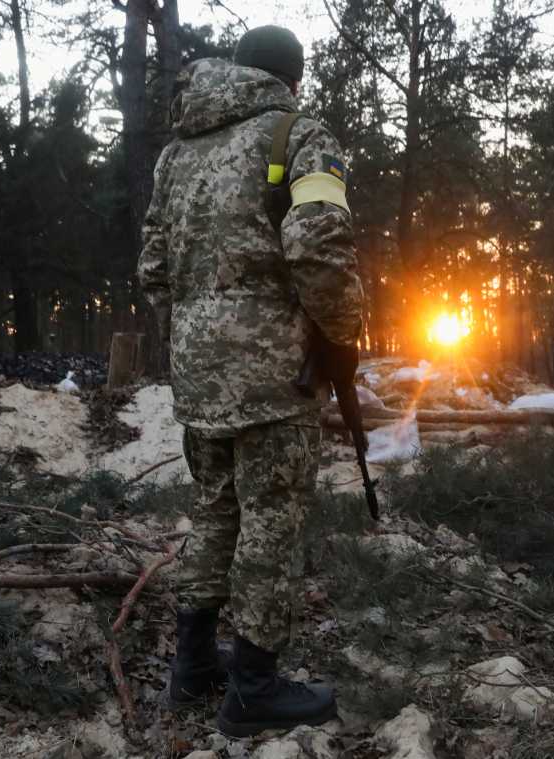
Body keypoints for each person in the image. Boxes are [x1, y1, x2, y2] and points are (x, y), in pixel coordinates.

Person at [137, 25, 365, 738]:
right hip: (274, 379)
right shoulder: (300, 136)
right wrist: (342, 335)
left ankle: (194, 665)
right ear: (293, 80)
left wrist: (201, 331)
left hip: (200, 377)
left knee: (215, 511)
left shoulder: (176, 153)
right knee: (270, 519)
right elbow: (319, 241)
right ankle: (255, 687)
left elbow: (152, 267)